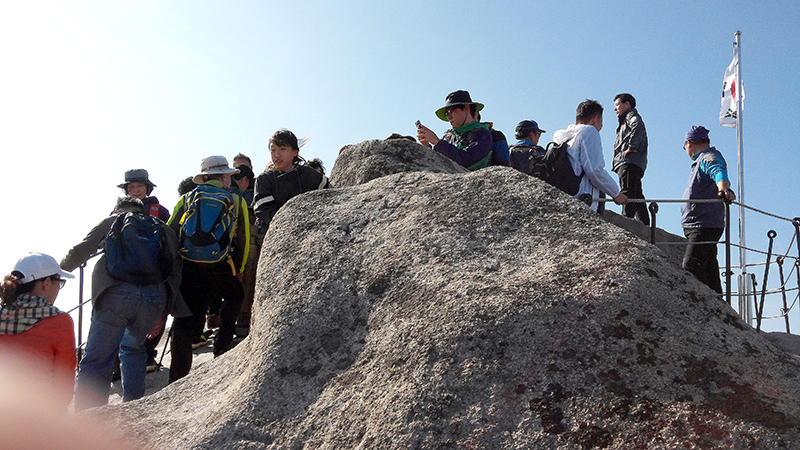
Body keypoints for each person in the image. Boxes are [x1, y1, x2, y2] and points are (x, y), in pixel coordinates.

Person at [61, 197, 185, 410]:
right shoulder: (163, 229)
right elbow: (175, 268)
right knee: (133, 348)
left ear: (117, 209)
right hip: (154, 296)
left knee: (97, 359)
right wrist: (164, 310)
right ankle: (132, 410)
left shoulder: (112, 221)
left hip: (116, 295)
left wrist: (55, 276)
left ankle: (89, 418)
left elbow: (80, 251)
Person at [168, 156, 250, 382]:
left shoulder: (187, 198)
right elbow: (243, 237)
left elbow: (170, 230)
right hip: (220, 265)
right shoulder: (236, 199)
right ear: (224, 176)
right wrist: (240, 268)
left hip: (190, 266)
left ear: (203, 177)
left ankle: (177, 375)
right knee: (235, 296)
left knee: (184, 318)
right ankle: (222, 347)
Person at [0, 253, 76, 411]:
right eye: (59, 283)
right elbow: (64, 380)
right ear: (46, 283)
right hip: (37, 414)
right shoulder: (59, 321)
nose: (58, 289)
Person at [680, 126, 735, 294]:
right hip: (702, 223)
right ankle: (721, 312)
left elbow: (718, 172)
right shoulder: (701, 160)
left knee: (691, 266)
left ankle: (701, 311)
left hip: (703, 224)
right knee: (709, 269)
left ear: (689, 143)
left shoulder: (708, 158)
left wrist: (724, 189)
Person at [552, 99, 627, 212]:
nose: (601, 126)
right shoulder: (589, 132)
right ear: (595, 118)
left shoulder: (563, 136)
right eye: (601, 121)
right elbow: (594, 170)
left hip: (564, 196)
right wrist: (616, 193)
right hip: (582, 200)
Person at [253, 129, 331, 233]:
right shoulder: (264, 180)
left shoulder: (309, 175)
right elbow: (264, 210)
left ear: (295, 152)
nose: (277, 155)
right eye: (273, 150)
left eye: (282, 149)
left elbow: (330, 194)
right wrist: (290, 223)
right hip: (275, 236)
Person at [416, 90, 493, 171]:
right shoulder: (448, 137)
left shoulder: (483, 135)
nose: (448, 117)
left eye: (451, 111)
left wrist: (437, 142)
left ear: (466, 108)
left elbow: (466, 160)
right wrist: (426, 146)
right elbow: (436, 161)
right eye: (447, 114)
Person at [612, 93, 650, 226]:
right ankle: (644, 223)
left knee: (628, 191)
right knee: (637, 194)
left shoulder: (631, 116)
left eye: (617, 105)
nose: (615, 108)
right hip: (634, 162)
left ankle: (626, 221)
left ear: (627, 104)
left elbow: (637, 126)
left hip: (629, 162)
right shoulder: (625, 120)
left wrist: (631, 147)